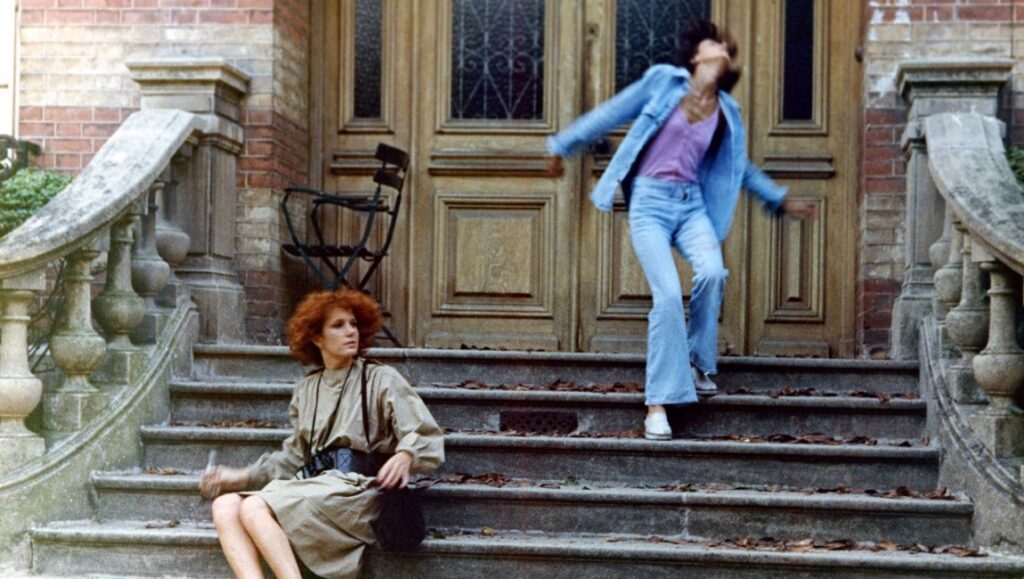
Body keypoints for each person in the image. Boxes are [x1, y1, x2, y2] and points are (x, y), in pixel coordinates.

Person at [546, 20, 817, 441]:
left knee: (712, 272)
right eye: (715, 42)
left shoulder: (728, 110)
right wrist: (562, 145)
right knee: (669, 296)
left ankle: (698, 363)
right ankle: (657, 404)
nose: (723, 47)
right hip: (650, 205)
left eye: (727, 46)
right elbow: (612, 111)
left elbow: (736, 166)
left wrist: (778, 198)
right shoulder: (663, 83)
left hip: (692, 207)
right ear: (695, 55)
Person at [198, 289, 444, 579]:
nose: (350, 331)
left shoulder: (380, 378)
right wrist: (237, 477)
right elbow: (293, 458)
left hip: (358, 491)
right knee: (225, 505)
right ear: (316, 337)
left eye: (353, 324)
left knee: (253, 507)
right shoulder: (308, 389)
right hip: (314, 487)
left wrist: (406, 453)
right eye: (338, 325)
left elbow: (425, 433)